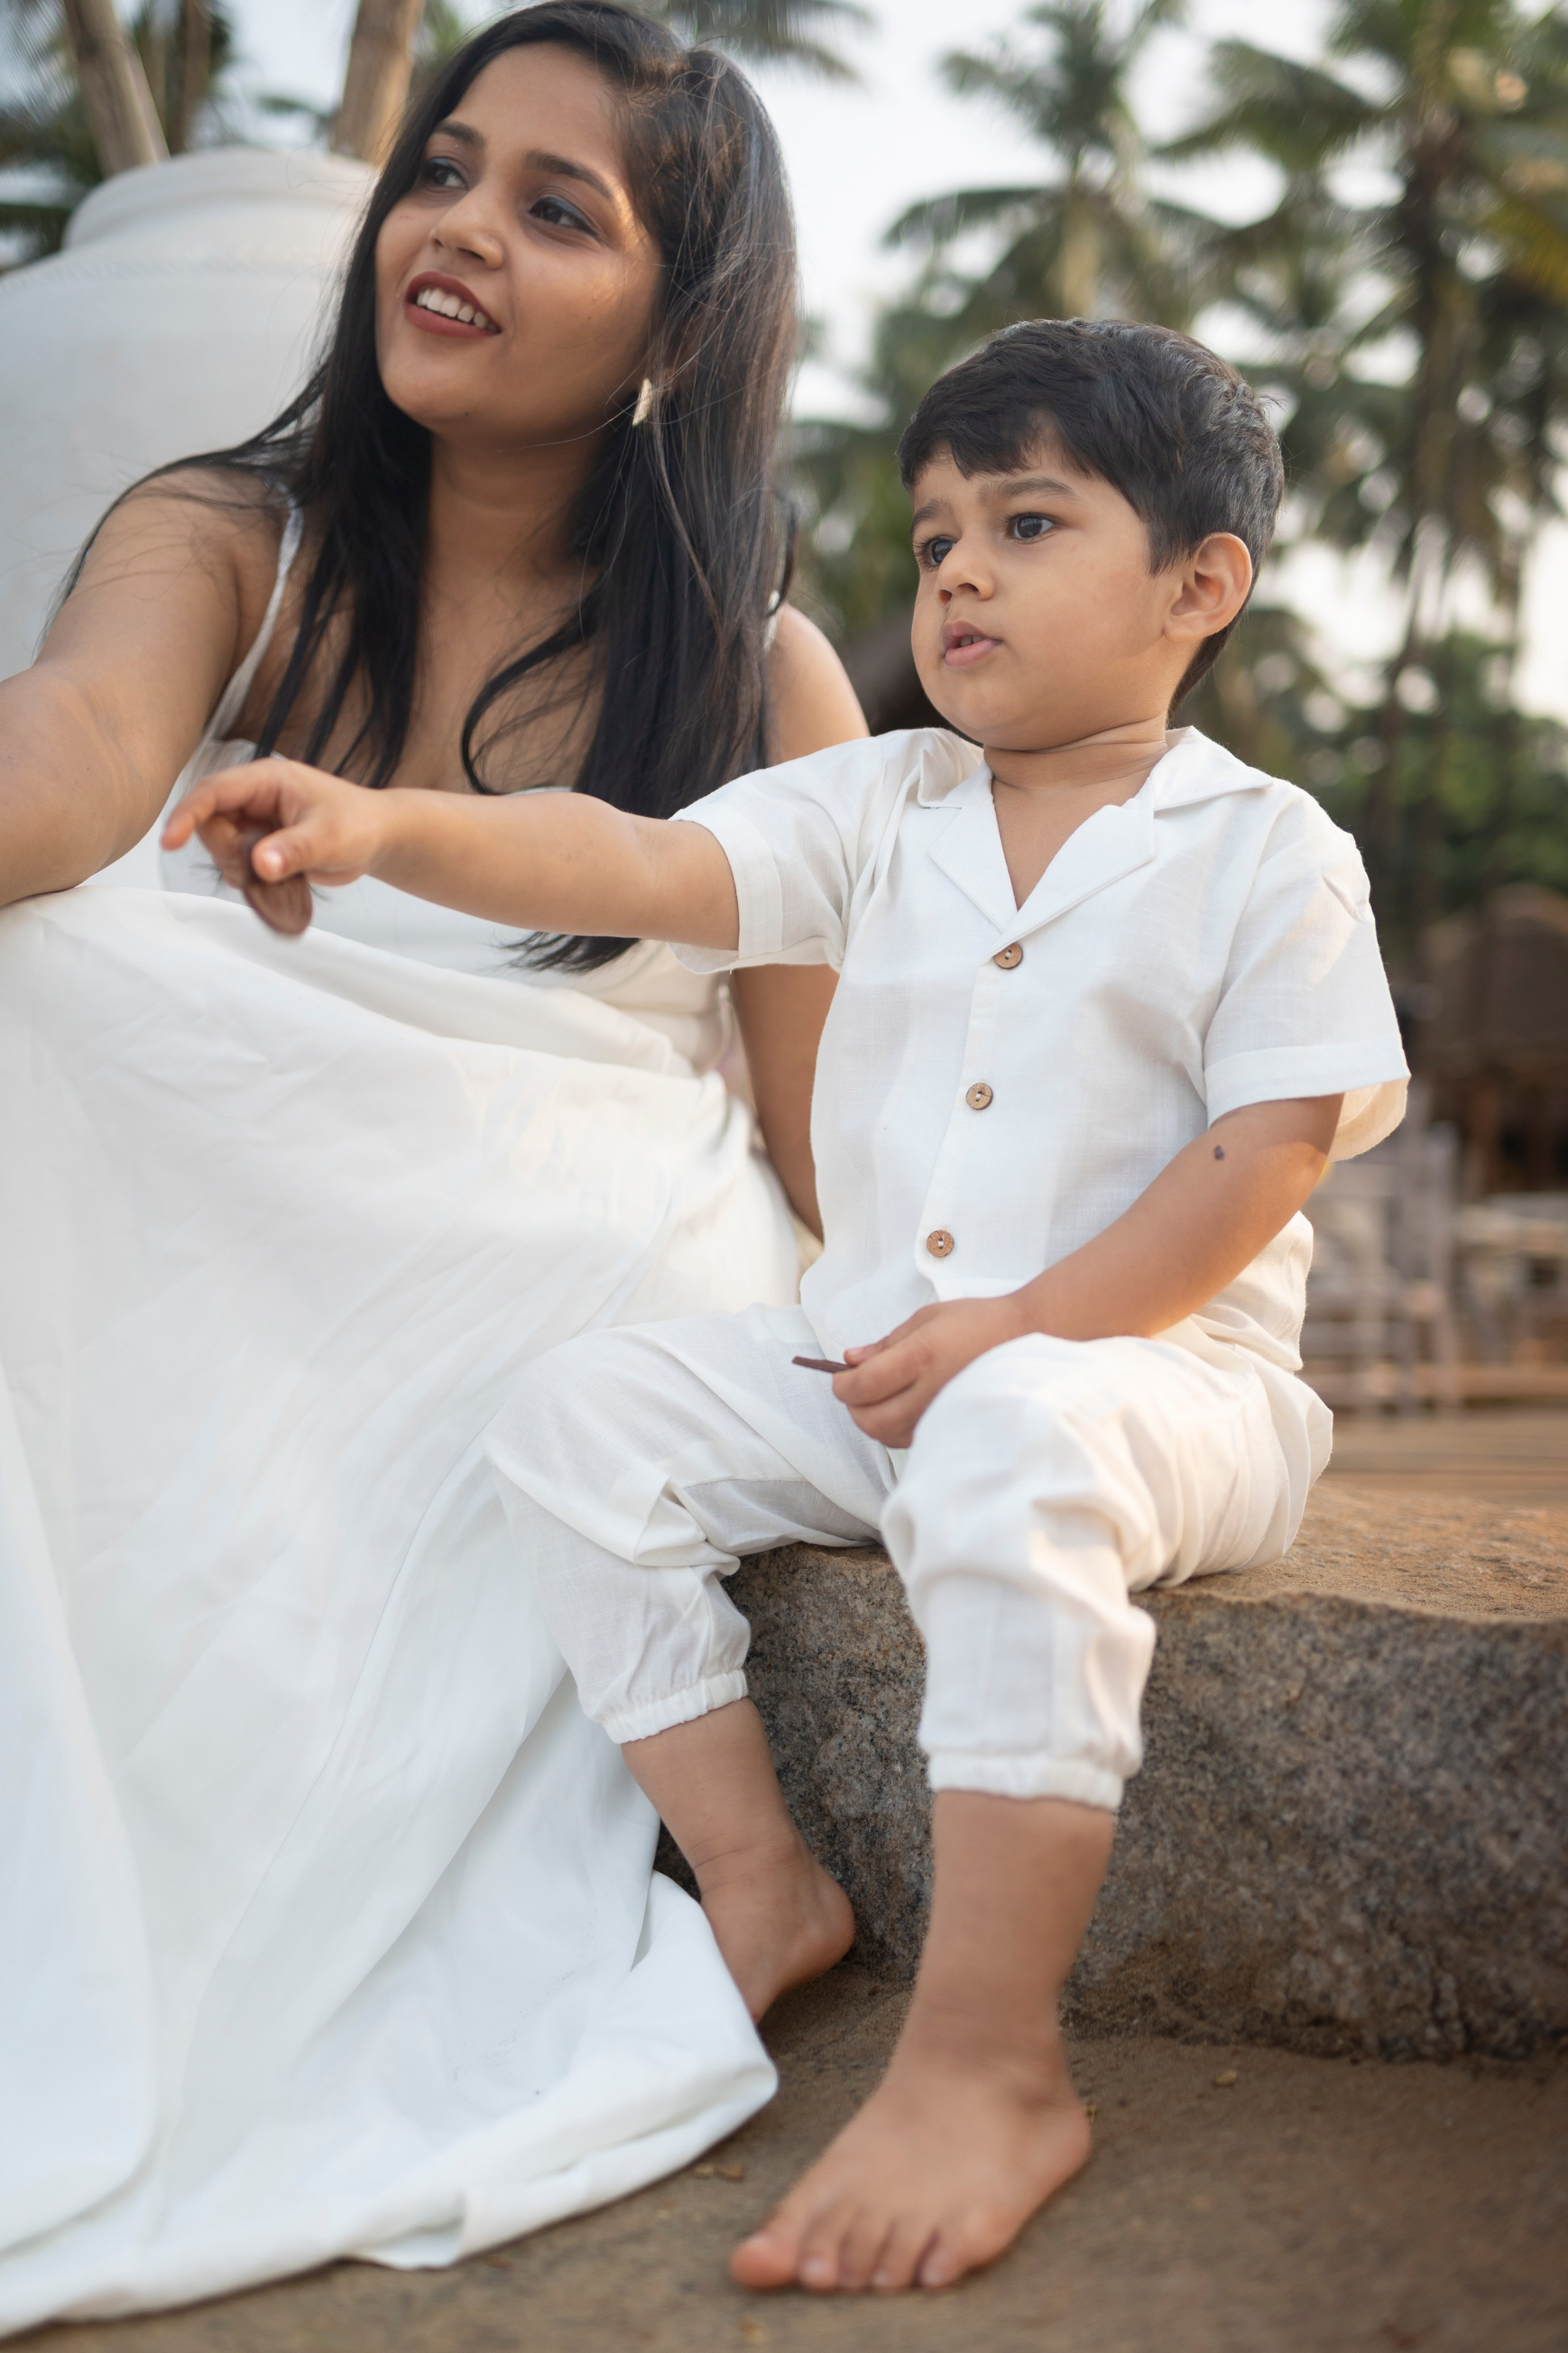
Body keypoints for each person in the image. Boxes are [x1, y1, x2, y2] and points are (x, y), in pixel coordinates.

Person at [165, 319, 1410, 2297]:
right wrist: (394, 824)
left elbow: (1262, 1155)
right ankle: (762, 1880)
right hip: (883, 1367)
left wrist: (1026, 1329)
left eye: (1024, 522)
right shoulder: (886, 803)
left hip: (1156, 1385)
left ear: (1201, 584)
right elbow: (638, 854)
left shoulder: (1264, 850)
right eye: (930, 540)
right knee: (575, 1419)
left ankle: (991, 2060)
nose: (957, 576)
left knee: (1017, 1426)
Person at [0, 5, 867, 2332]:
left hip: (563, 1220)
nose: (455, 227)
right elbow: (66, 773)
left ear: (680, 327)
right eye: (443, 170)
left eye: (553, 207)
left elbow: (828, 1125)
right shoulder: (230, 532)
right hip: (238, 1178)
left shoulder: (761, 675)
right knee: (44, 979)